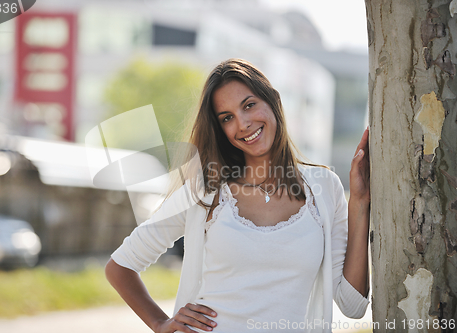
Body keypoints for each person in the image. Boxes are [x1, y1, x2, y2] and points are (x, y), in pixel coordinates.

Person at [105, 58, 370, 333]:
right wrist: (160, 323)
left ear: (274, 102)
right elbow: (120, 266)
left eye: (249, 105)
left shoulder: (324, 188)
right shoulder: (205, 192)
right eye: (227, 118)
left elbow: (352, 305)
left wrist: (360, 203)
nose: (243, 124)